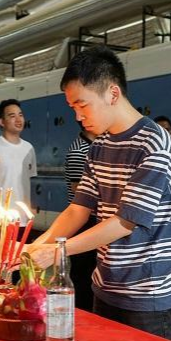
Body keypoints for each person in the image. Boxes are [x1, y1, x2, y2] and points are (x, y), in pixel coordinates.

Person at [27, 45, 171, 340]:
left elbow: (125, 222)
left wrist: (57, 251)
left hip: (146, 296)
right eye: (73, 108)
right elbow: (78, 209)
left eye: (82, 105)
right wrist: (37, 245)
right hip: (106, 286)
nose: (78, 116)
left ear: (112, 93)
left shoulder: (155, 143)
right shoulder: (100, 145)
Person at [0, 99, 37, 281]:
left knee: (21, 268)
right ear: (1, 122)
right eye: (12, 116)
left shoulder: (29, 148)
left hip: (23, 220)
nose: (18, 119)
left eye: (20, 115)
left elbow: (29, 181)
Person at [64, 123, 97, 311]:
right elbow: (80, 191)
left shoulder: (97, 145)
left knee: (90, 271)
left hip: (93, 218)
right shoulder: (79, 151)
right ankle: (81, 312)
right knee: (82, 273)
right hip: (83, 220)